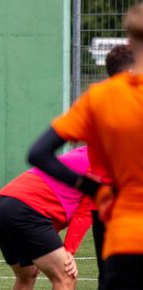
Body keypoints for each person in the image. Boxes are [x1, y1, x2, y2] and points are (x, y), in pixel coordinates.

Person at [28, 3, 143, 289]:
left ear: (129, 41)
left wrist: (91, 187)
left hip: (125, 238)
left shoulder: (101, 97)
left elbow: (39, 153)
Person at [0, 146, 93, 290]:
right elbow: (85, 213)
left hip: (0, 204)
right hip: (26, 209)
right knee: (66, 277)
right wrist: (69, 252)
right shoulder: (104, 163)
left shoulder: (85, 152)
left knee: (27, 275)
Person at [91, 43, 134, 290]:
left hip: (104, 198)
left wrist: (85, 185)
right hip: (129, 200)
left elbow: (40, 153)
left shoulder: (95, 101)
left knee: (106, 273)